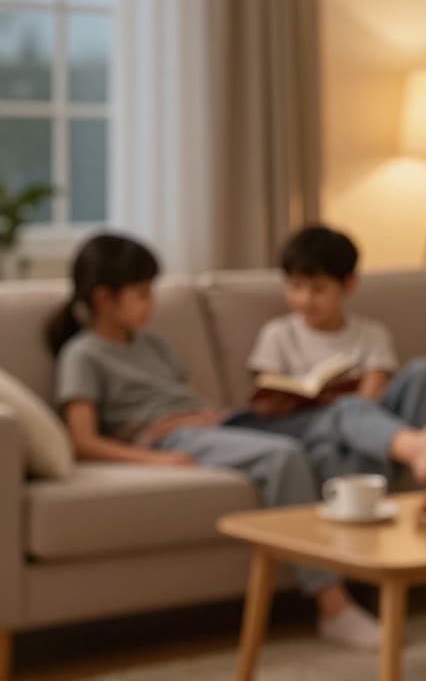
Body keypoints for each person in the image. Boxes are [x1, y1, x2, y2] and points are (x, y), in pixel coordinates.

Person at [47, 233, 385, 649]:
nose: (152, 301)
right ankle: (332, 606)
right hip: (169, 438)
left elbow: (185, 396)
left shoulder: (155, 344)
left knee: (329, 426)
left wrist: (226, 414)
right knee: (283, 458)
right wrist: (156, 462)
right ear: (103, 299)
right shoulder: (83, 355)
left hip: (212, 426)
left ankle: (404, 457)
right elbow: (83, 440)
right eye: (141, 293)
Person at [229, 225, 426, 486]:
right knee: (346, 413)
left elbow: (370, 396)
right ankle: (416, 450)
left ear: (348, 284)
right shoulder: (278, 333)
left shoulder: (370, 334)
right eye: (295, 286)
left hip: (359, 421)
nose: (305, 298)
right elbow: (269, 389)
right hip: (300, 425)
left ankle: (424, 454)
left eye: (318, 289)